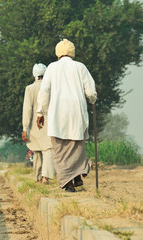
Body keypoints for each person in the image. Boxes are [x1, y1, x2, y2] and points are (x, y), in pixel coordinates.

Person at [36, 39, 97, 192]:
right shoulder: (80, 67)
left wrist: (40, 112)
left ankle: (68, 182)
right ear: (72, 53)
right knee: (77, 146)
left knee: (60, 149)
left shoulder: (51, 68)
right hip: (77, 112)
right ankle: (77, 175)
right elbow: (90, 92)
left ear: (58, 54)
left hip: (58, 114)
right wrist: (92, 99)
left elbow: (44, 91)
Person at [22, 63, 55, 184]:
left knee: (36, 150)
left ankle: (38, 177)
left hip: (35, 124)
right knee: (48, 150)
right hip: (49, 122)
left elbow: (27, 109)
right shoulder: (51, 87)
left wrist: (25, 128)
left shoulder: (29, 88)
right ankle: (46, 177)